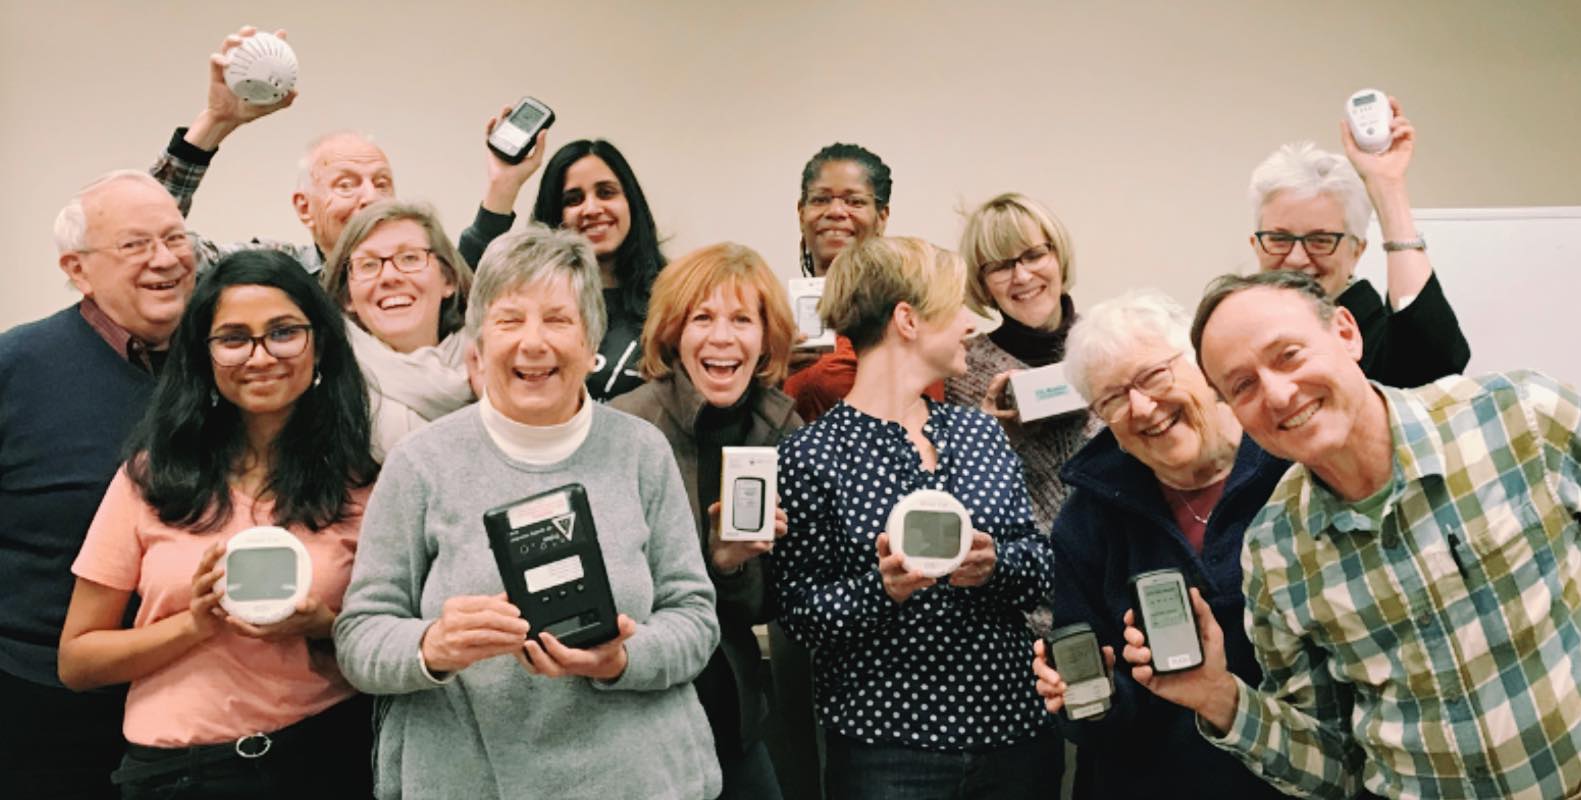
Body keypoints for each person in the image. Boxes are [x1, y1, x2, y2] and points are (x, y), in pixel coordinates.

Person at [1119, 269, 1581, 799]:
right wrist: (1217, 695)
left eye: (1288, 354)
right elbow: (1335, 767)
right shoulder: (1275, 552)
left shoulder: (1518, 416)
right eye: (1242, 385)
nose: (1278, 393)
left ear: (1345, 332)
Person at [333, 225, 721, 799]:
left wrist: (620, 659)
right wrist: (432, 646)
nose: (533, 343)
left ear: (593, 344)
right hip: (471, 780)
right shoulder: (421, 464)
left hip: (638, 779)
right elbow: (361, 636)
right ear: (478, 345)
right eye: (510, 320)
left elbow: (694, 618)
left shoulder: (641, 451)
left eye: (558, 320)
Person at [57, 249, 378, 798]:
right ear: (203, 357)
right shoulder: (151, 478)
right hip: (181, 772)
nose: (260, 356)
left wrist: (321, 623)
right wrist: (193, 625)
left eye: (283, 332)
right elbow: (77, 660)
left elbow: (390, 641)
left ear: (319, 344)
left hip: (324, 754)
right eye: (233, 338)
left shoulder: (362, 485)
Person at [772, 236, 1059, 799]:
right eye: (956, 308)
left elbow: (1044, 564)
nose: (971, 325)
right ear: (907, 319)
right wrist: (882, 590)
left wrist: (993, 565)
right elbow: (800, 614)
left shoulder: (979, 433)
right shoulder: (811, 455)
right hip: (889, 751)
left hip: (1014, 735)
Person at [1027, 290, 1287, 798]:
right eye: (1113, 398)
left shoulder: (1286, 464)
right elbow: (1100, 726)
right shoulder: (1089, 518)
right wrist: (1091, 698)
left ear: (1201, 365)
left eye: (1152, 376)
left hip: (1292, 778)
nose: (1142, 408)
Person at [0, 170, 197, 798]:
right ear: (78, 270)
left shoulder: (231, 362)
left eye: (175, 238)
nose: (164, 259)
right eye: (135, 245)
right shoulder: (17, 367)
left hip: (201, 696)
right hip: (42, 705)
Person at [611, 242, 800, 799]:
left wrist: (731, 565)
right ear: (673, 333)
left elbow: (769, 606)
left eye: (742, 319)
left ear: (766, 336)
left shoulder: (780, 426)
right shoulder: (625, 427)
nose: (722, 337)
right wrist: (709, 559)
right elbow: (624, 591)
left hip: (731, 708)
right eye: (703, 318)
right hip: (641, 711)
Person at [151, 27, 545, 274]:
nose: (370, 198)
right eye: (346, 184)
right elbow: (159, 246)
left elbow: (468, 277)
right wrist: (215, 124)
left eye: (382, 183)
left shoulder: (417, 280)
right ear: (305, 207)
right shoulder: (276, 273)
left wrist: (502, 184)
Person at [1247, 96, 1468, 387]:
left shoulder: (1377, 335)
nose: (1297, 258)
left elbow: (1436, 361)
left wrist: (1387, 186)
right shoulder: (1241, 331)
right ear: (1255, 244)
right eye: (1279, 238)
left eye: (1321, 240)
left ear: (1357, 250)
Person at [947, 192, 1097, 531]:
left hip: (1119, 560)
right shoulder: (961, 372)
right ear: (983, 284)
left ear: (1058, 255)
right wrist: (989, 439)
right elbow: (955, 496)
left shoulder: (1112, 347)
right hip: (1019, 570)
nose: (1023, 277)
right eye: (1000, 266)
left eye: (1033, 255)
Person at [783, 143, 947, 424]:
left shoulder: (904, 319)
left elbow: (925, 426)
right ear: (801, 214)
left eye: (854, 201)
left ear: (881, 217)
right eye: (821, 199)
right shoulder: (775, 321)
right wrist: (771, 369)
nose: (835, 211)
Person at [322, 200, 476, 461]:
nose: (389, 277)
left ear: (448, 280)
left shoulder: (496, 366)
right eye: (369, 264)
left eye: (409, 258)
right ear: (347, 297)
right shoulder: (329, 391)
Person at [528, 139, 667, 401]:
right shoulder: (531, 303)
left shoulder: (673, 298)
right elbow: (464, 294)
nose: (591, 209)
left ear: (631, 202)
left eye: (606, 193)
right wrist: (502, 185)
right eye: (573, 199)